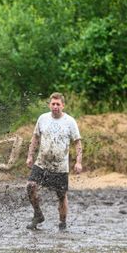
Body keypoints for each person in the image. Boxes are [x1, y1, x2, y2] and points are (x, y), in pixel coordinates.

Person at [26, 92, 83, 230]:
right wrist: (30, 156)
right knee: (30, 186)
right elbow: (35, 138)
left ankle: (62, 224)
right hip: (42, 163)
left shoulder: (70, 121)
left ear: (63, 105)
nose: (55, 106)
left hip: (60, 166)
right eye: (53, 104)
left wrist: (78, 162)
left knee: (61, 195)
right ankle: (38, 215)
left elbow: (77, 143)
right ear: (49, 105)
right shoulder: (42, 118)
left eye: (58, 104)